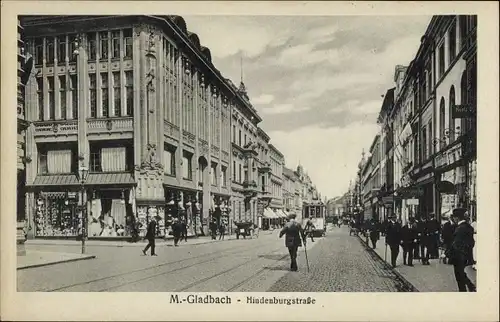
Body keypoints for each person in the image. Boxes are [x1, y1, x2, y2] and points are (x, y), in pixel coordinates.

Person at [446, 208, 476, 292]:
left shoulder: (459, 228)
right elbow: (472, 243)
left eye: (454, 218)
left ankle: (464, 292)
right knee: (462, 274)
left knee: (459, 277)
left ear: (456, 218)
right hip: (466, 256)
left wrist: (447, 253)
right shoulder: (469, 227)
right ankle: (471, 286)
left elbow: (456, 244)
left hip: (458, 257)